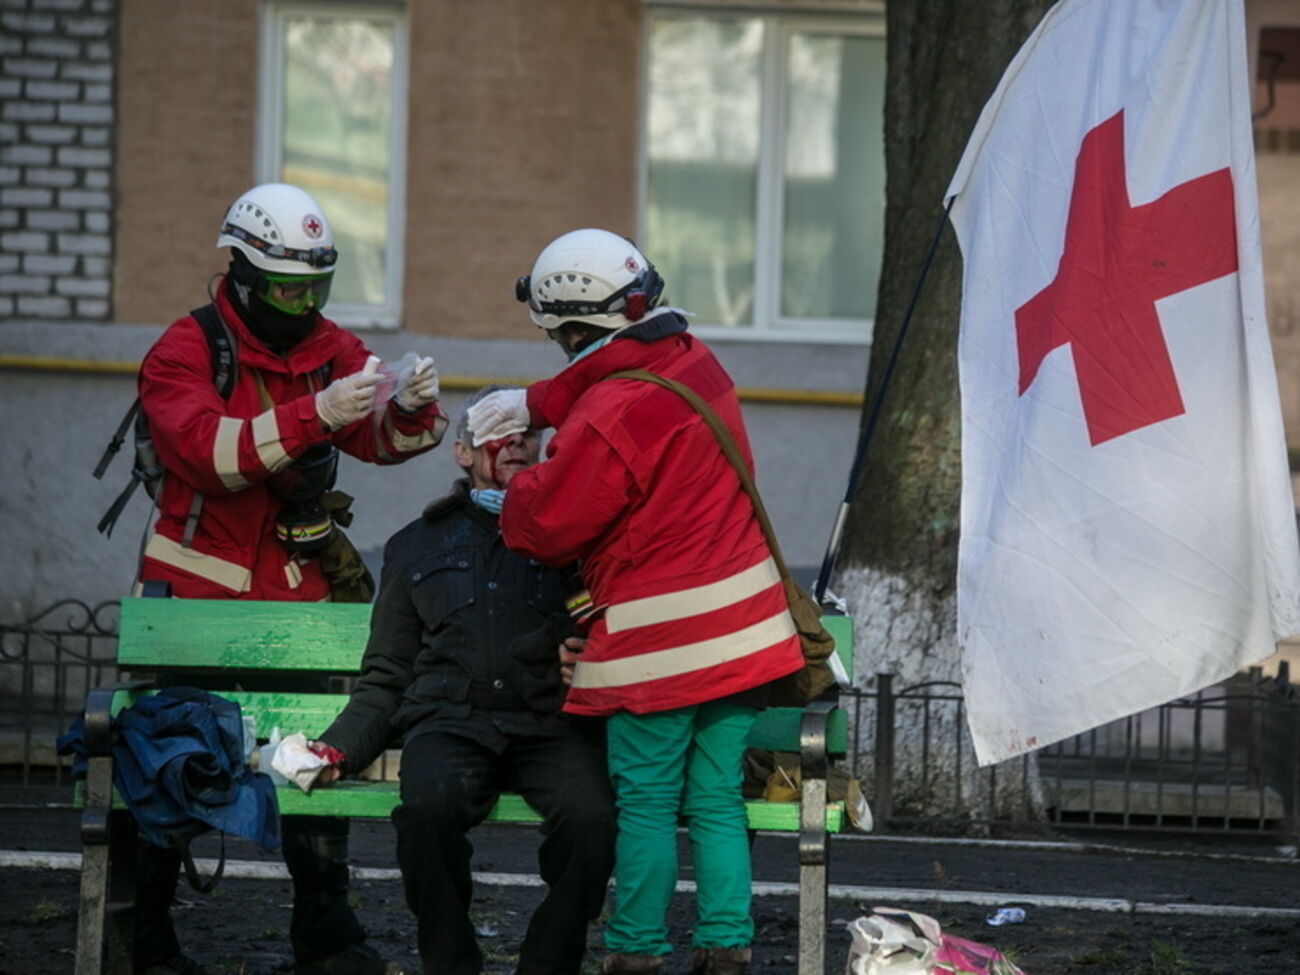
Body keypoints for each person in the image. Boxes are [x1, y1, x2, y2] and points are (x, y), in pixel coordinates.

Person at [466, 230, 805, 975]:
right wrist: (530, 404)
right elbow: (613, 368)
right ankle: (725, 947)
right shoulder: (694, 361)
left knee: (647, 802)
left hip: (663, 645)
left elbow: (550, 524)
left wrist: (505, 491)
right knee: (716, 799)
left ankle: (636, 952)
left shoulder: (607, 416)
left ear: (574, 330)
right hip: (745, 637)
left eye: (561, 338)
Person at [132, 182, 446, 975]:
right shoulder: (183, 350)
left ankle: (327, 933)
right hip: (195, 604)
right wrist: (317, 414)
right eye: (287, 287)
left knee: (312, 759)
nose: (304, 304)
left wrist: (407, 410)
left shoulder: (329, 346)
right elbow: (212, 453)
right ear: (239, 272)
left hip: (297, 597)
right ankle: (144, 936)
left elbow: (380, 439)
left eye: (318, 287)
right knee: (174, 764)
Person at [313, 385, 617, 975]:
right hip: (450, 724)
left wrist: (596, 657)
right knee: (426, 811)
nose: (517, 442)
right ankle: (450, 963)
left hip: (551, 724)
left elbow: (614, 630)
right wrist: (339, 747)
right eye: (499, 432)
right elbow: (387, 673)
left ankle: (549, 963)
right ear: (463, 452)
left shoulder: (577, 540)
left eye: (529, 432)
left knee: (592, 821)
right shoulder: (416, 544)